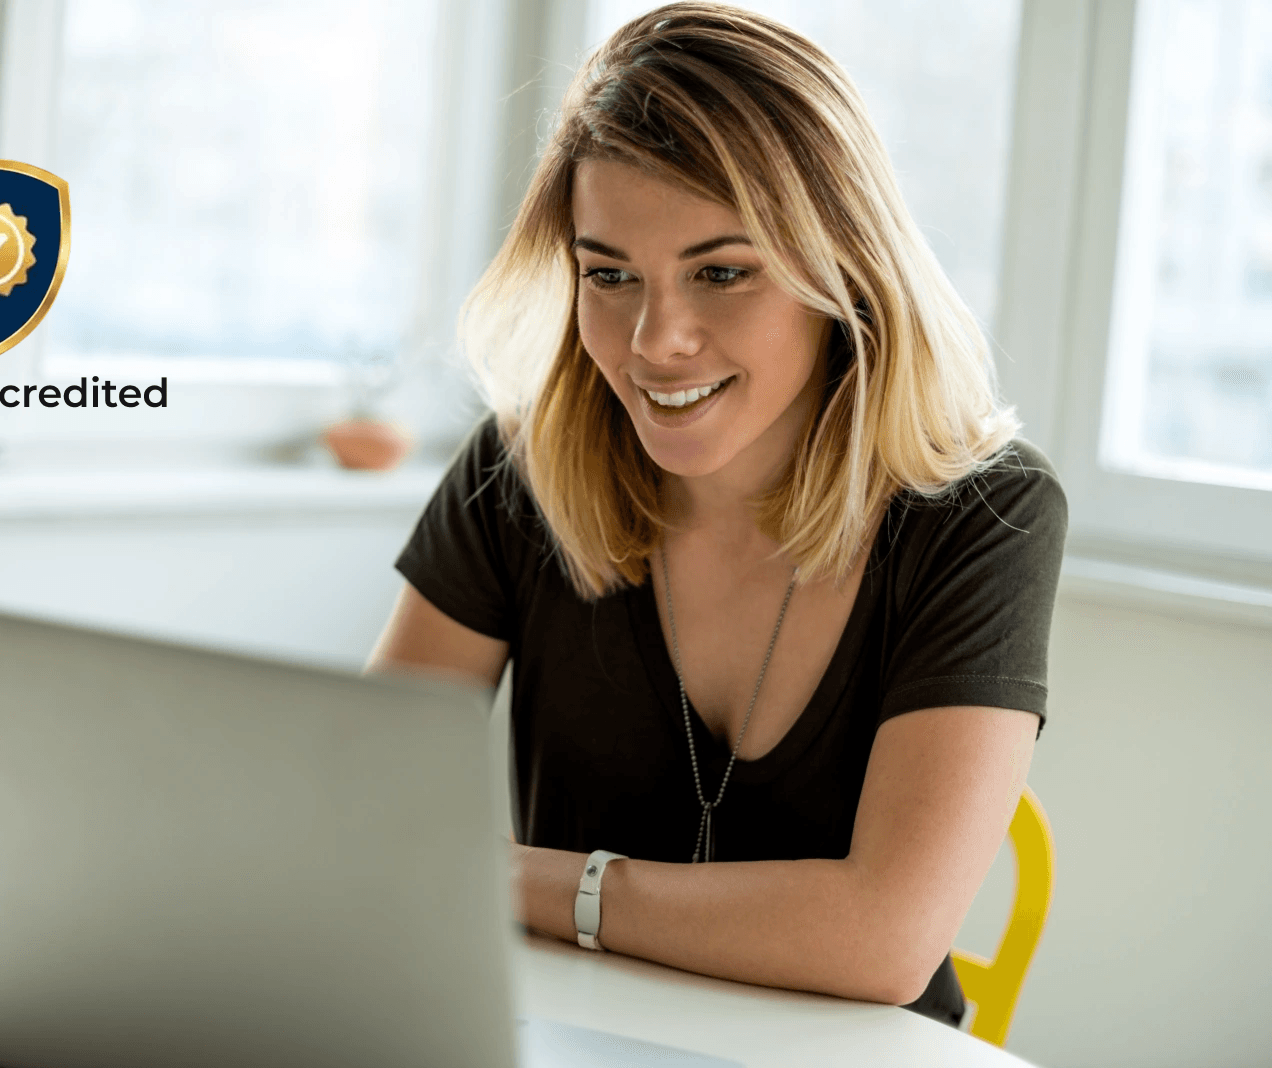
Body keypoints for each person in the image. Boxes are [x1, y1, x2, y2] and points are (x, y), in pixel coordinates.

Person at [366, 1, 1066, 1027]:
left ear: (843, 268)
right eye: (609, 275)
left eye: (721, 272)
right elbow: (361, 820)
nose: (654, 341)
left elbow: (882, 939)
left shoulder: (982, 512)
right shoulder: (518, 473)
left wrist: (519, 880)